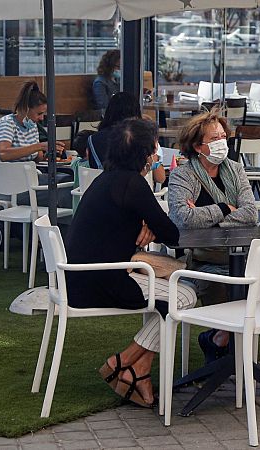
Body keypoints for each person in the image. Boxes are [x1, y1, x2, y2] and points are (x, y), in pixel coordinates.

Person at [65, 118, 195, 407]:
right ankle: (121, 361)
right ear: (146, 154)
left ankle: (139, 371)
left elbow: (150, 226)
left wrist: (148, 223)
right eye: (154, 148)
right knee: (185, 295)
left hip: (80, 278)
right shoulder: (132, 184)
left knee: (164, 296)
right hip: (102, 281)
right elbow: (172, 233)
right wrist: (152, 222)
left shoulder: (106, 179)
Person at [168, 111, 258, 363]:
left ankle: (220, 340)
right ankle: (226, 348)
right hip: (203, 261)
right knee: (225, 283)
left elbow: (250, 214)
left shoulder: (235, 169)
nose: (222, 143)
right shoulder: (183, 175)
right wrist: (224, 208)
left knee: (257, 281)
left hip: (242, 256)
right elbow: (183, 218)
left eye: (223, 136)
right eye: (214, 138)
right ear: (198, 146)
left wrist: (206, 217)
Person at [88, 92, 165, 186]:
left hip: (100, 191)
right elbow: (160, 178)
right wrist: (154, 156)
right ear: (136, 112)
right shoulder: (140, 137)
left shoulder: (93, 139)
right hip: (135, 191)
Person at [0, 81, 65, 162]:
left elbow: (38, 158)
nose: (42, 118)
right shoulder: (6, 124)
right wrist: (40, 146)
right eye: (39, 113)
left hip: (25, 171)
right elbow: (4, 154)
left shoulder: (32, 126)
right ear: (25, 109)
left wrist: (50, 152)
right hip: (5, 173)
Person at [70, 129, 93, 213]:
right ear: (88, 150)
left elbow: (73, 161)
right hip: (89, 207)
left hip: (76, 207)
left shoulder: (76, 163)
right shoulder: (91, 165)